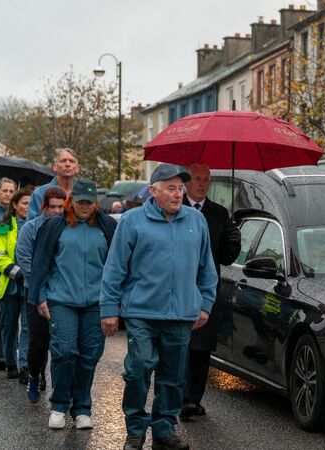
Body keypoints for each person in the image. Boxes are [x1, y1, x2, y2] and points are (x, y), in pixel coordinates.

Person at [100, 164, 217, 450]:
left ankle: (164, 430)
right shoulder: (131, 221)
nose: (178, 194)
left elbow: (207, 268)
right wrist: (108, 309)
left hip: (181, 314)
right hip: (141, 312)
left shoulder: (196, 221)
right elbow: (114, 268)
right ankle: (135, 430)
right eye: (171, 188)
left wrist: (205, 304)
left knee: (173, 377)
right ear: (153, 191)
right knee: (139, 369)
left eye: (180, 189)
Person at [29, 179, 117, 429]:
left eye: (89, 202)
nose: (85, 206)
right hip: (61, 300)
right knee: (65, 351)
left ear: (96, 203)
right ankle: (59, 405)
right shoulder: (55, 225)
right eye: (80, 202)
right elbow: (40, 262)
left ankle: (82, 408)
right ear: (72, 201)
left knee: (89, 356)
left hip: (96, 302)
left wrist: (115, 302)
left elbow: (117, 265)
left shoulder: (107, 226)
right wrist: (40, 295)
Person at [179, 163, 241, 421]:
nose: (201, 183)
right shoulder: (174, 207)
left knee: (201, 347)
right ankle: (178, 398)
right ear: (186, 182)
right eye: (196, 178)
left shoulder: (218, 213)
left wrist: (234, 240)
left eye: (206, 179)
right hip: (179, 286)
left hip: (207, 288)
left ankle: (194, 400)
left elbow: (226, 257)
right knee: (180, 345)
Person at [17, 186, 67, 401]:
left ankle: (61, 387)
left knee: (62, 343)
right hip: (36, 290)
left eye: (60, 207)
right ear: (44, 206)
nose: (56, 211)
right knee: (38, 341)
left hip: (61, 292)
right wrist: (42, 288)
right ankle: (35, 375)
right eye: (52, 207)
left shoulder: (69, 227)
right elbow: (25, 259)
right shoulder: (31, 228)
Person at [0, 188, 30, 380]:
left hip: (29, 286)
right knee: (8, 327)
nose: (28, 207)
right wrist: (17, 273)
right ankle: (10, 362)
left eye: (31, 203)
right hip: (9, 285)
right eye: (24, 203)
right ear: (15, 205)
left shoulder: (36, 224)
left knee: (27, 327)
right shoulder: (3, 227)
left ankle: (25, 365)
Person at [0, 177, 16, 371]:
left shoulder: (13, 216)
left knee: (1, 314)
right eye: (4, 191)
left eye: (11, 191)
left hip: (3, 273)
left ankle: (0, 353)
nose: (7, 194)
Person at [27, 148, 79, 221]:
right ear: (55, 167)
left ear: (77, 168)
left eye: (72, 161)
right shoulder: (39, 194)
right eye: (63, 161)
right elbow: (31, 228)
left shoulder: (85, 193)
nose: (67, 164)